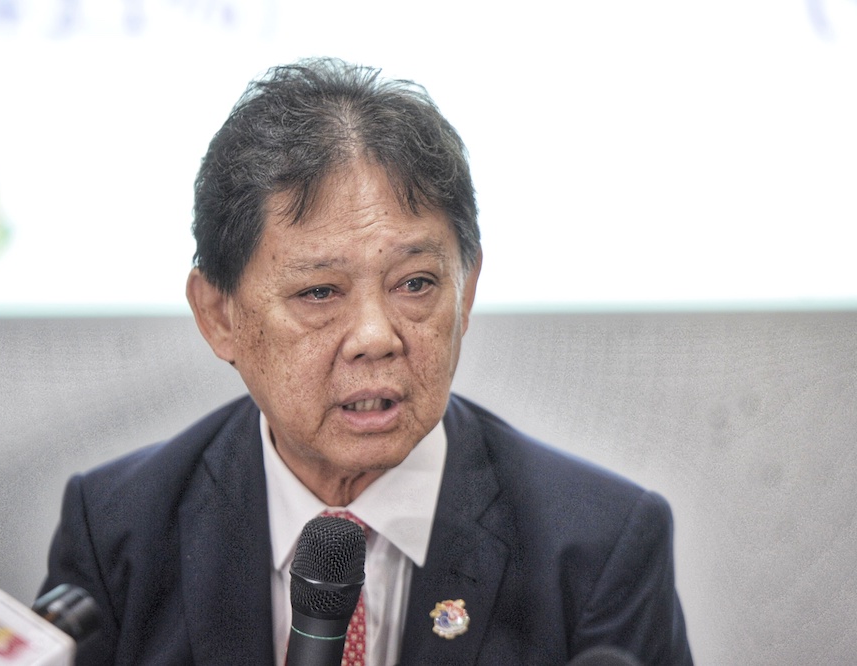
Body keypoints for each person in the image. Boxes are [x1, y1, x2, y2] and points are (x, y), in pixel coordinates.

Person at [39, 57, 693, 665]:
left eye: (416, 284)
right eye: (319, 292)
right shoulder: (119, 529)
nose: (376, 337)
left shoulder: (600, 547)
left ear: (467, 291)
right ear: (219, 315)